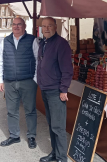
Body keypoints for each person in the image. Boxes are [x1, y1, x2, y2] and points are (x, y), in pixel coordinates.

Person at [0, 17, 39, 149]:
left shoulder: (32, 40)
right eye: (14, 24)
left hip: (28, 81)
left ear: (24, 26)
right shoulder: (5, 41)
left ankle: (31, 136)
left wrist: (35, 79)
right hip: (9, 82)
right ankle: (14, 136)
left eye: (19, 24)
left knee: (30, 110)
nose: (16, 27)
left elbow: (38, 60)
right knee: (11, 110)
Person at [37, 17, 73, 162]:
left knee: (58, 127)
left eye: (49, 26)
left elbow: (67, 70)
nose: (46, 29)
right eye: (44, 26)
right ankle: (54, 153)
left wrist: (64, 89)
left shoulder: (61, 44)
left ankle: (61, 158)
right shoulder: (43, 43)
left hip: (55, 91)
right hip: (45, 89)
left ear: (55, 27)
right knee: (51, 124)